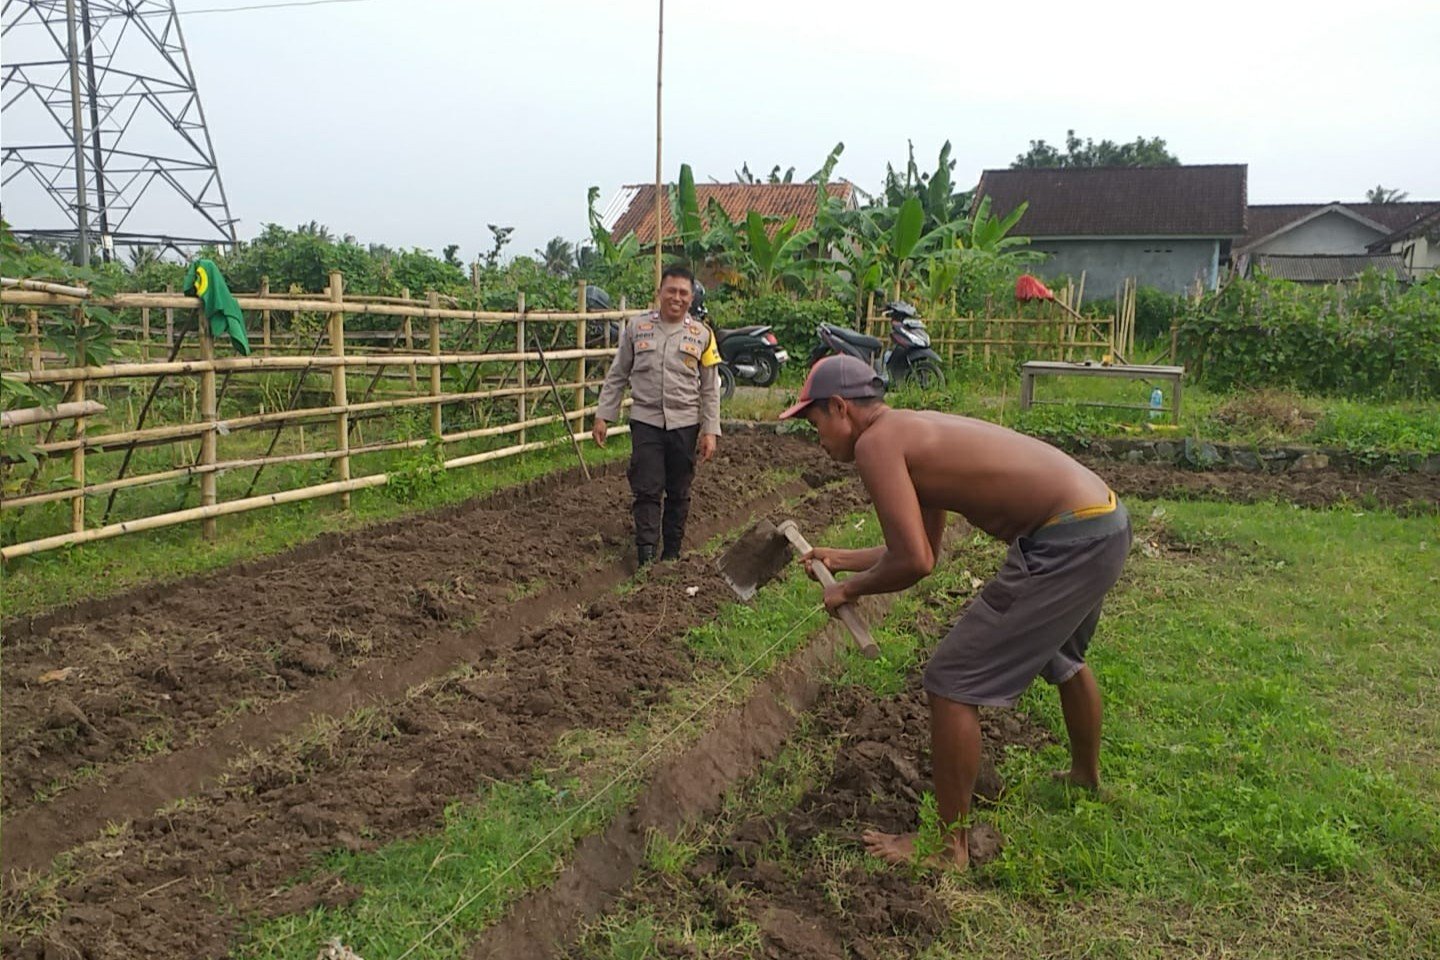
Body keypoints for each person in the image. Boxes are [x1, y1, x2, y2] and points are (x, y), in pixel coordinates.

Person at [781, 355, 1131, 871]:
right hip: (1100, 521)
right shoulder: (907, 430)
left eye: (816, 424)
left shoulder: (877, 445)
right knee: (1063, 654)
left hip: (1064, 540)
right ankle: (1085, 777)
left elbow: (915, 562)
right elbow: (923, 550)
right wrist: (841, 559)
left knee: (949, 680)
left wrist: (848, 589)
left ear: (840, 408)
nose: (820, 439)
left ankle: (950, 848)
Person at [594, 265, 722, 565]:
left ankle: (672, 553)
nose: (676, 298)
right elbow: (617, 375)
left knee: (678, 491)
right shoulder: (637, 329)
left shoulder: (702, 335)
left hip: (685, 423)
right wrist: (604, 415)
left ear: (691, 298)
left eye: (683, 293)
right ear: (660, 293)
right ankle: (646, 555)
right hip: (646, 421)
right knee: (647, 488)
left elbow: (709, 388)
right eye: (671, 291)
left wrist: (710, 430)